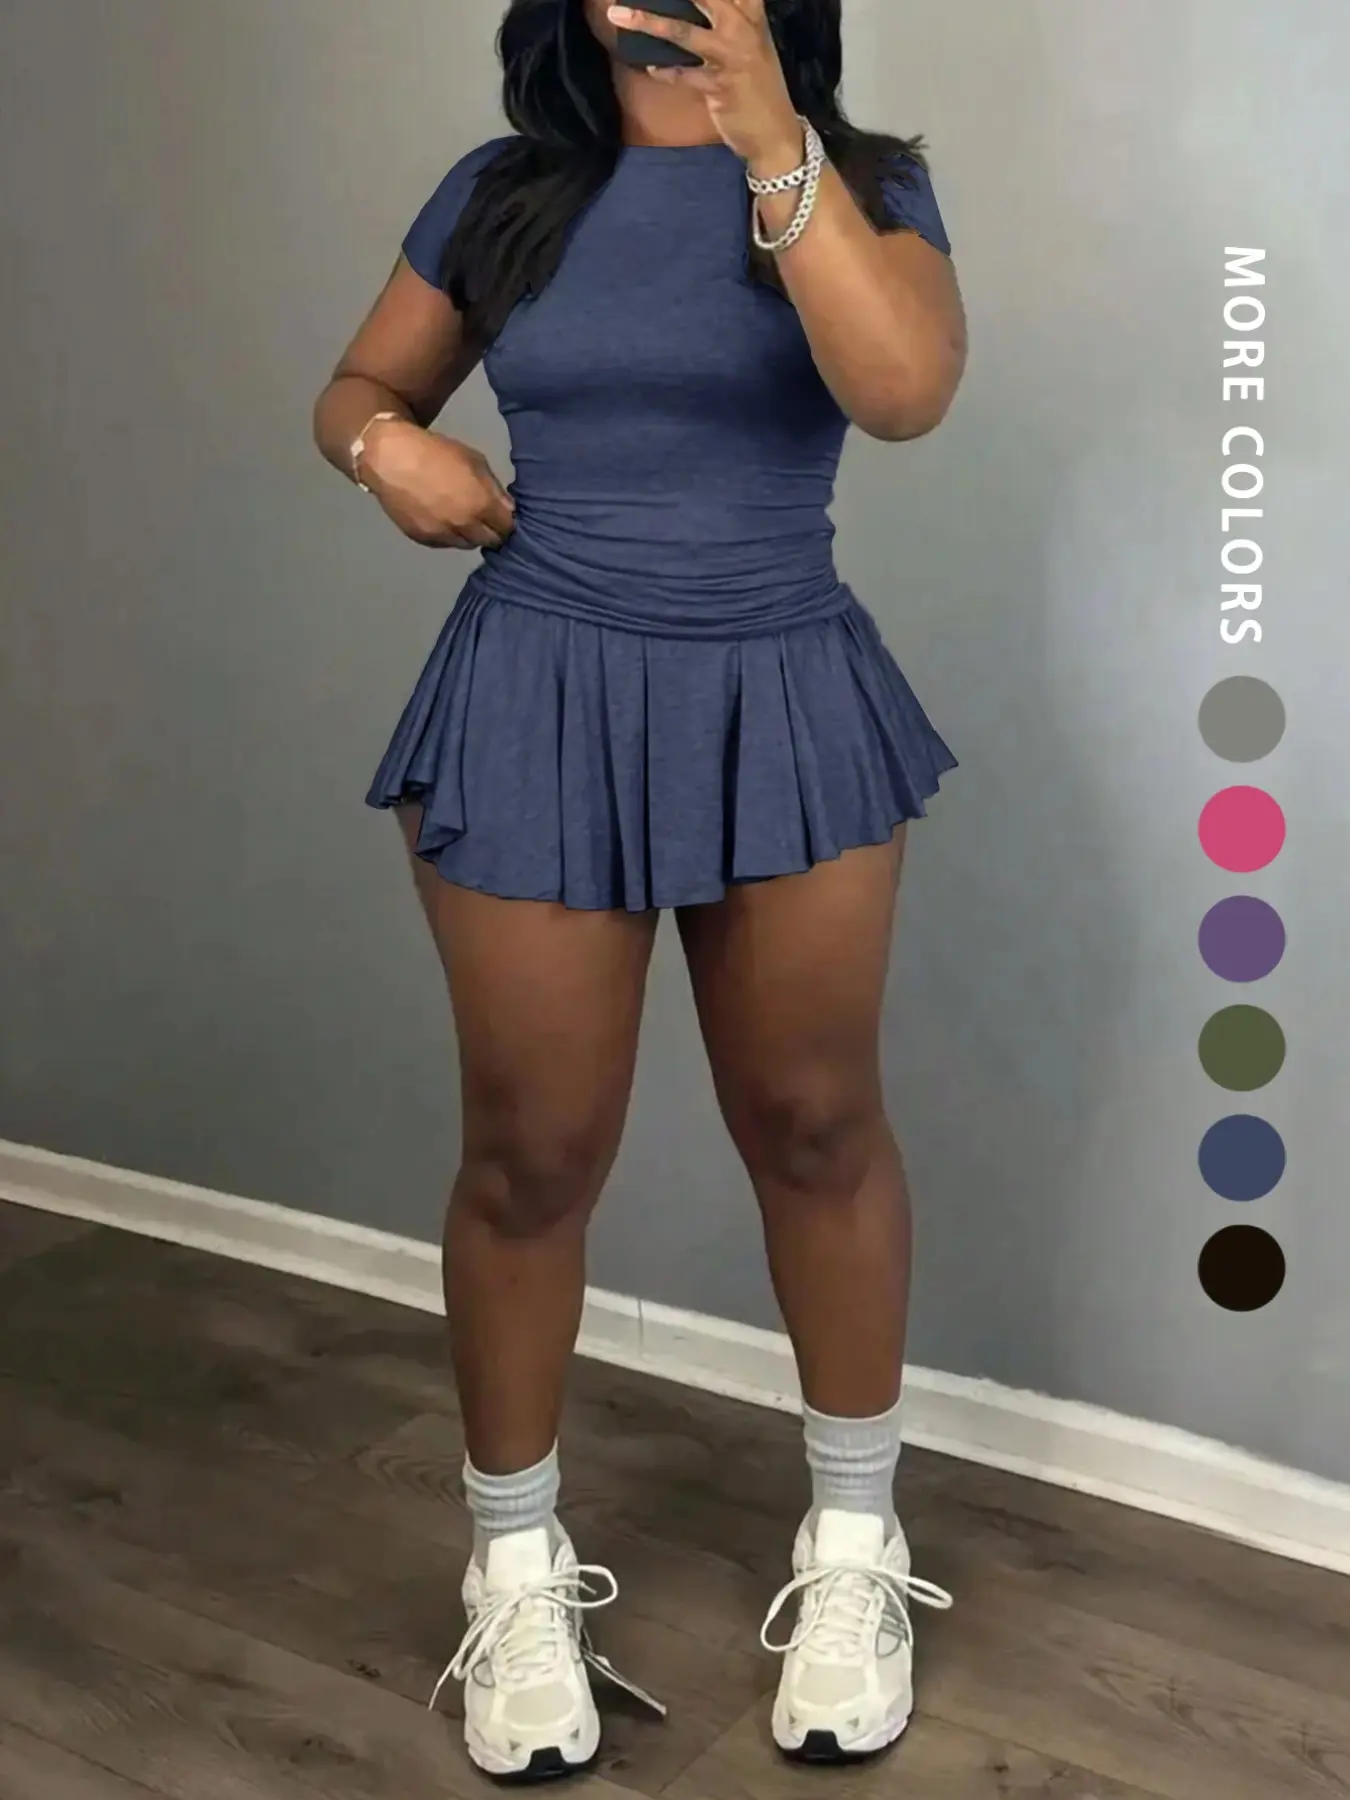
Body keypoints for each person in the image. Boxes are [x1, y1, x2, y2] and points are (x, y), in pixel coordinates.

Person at [314, 0, 965, 1781]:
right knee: (531, 1152)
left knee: (816, 1125)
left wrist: (773, 140)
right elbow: (353, 391)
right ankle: (513, 1571)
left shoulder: (865, 183)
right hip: (537, 687)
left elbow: (901, 395)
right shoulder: (506, 189)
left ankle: (855, 1545)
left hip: (784, 686)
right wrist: (386, 450)